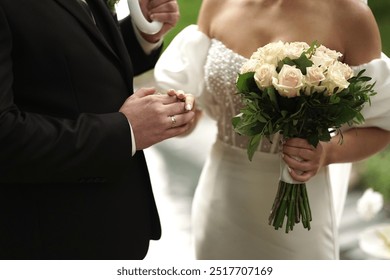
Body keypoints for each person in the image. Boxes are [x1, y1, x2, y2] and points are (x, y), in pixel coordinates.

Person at [154, 0, 390, 259]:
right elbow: (194, 112)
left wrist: (327, 153)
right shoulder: (217, 4)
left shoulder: (350, 15)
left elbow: (382, 125)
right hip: (221, 202)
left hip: (300, 214)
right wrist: (181, 113)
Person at [0, 0, 195, 260]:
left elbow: (65, 60)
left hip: (111, 230)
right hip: (51, 242)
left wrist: (141, 35)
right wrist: (126, 131)